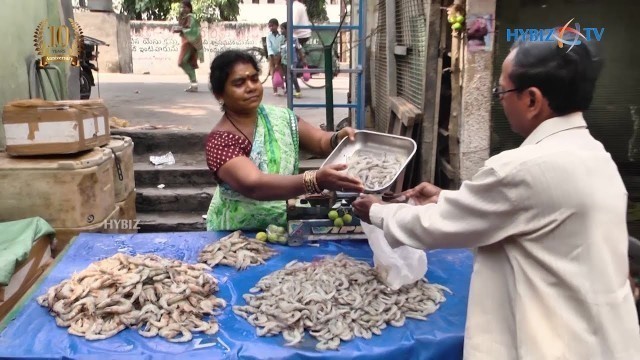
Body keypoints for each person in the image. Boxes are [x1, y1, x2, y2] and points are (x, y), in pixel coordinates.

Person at [353, 39, 640, 358]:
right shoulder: (597, 157)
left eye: (500, 92)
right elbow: (524, 212)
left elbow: (438, 228)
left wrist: (377, 211)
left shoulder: (524, 167)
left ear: (532, 99)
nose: (500, 102)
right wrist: (445, 198)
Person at [204, 50, 364, 231]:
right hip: (238, 233)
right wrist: (316, 180)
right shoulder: (220, 141)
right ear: (220, 94)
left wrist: (339, 138)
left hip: (284, 225)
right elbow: (254, 185)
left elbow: (319, 141)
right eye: (239, 83)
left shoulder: (280, 117)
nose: (251, 87)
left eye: (255, 79)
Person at [173, 0, 204, 92]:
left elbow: (193, 31)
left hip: (189, 43)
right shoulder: (185, 17)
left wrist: (181, 30)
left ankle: (194, 83)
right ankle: (194, 85)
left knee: (181, 62)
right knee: (189, 63)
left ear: (189, 8)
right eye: (181, 7)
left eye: (185, 7)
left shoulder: (191, 17)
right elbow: (185, 27)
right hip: (186, 42)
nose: (182, 9)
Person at [279, 22, 303, 98]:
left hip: (293, 60)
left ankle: (298, 90)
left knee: (293, 76)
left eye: (282, 29)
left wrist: (303, 59)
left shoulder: (294, 39)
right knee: (286, 76)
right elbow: (280, 51)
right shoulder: (281, 40)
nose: (281, 31)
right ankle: (288, 91)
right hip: (284, 61)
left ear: (287, 30)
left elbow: (299, 49)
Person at [266, 18, 284, 96]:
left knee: (280, 72)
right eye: (269, 26)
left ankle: (283, 88)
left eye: (272, 26)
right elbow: (269, 47)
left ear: (277, 26)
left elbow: (281, 47)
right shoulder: (268, 36)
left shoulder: (281, 36)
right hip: (271, 56)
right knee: (273, 72)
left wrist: (278, 57)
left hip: (280, 55)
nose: (271, 28)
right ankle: (275, 90)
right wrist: (273, 57)